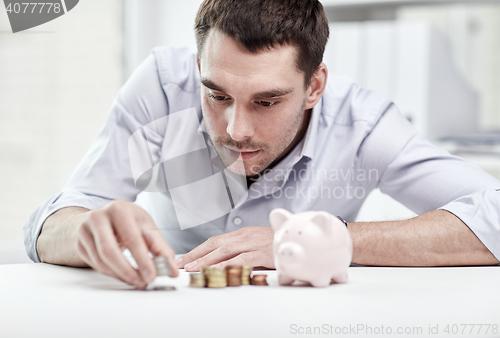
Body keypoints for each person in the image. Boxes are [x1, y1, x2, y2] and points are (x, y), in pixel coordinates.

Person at [25, 0, 500, 289]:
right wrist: (83, 232)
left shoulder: (365, 126)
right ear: (197, 67)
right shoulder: (161, 88)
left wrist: (337, 240)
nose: (235, 129)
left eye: (267, 102)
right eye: (217, 95)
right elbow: (54, 221)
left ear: (315, 86)